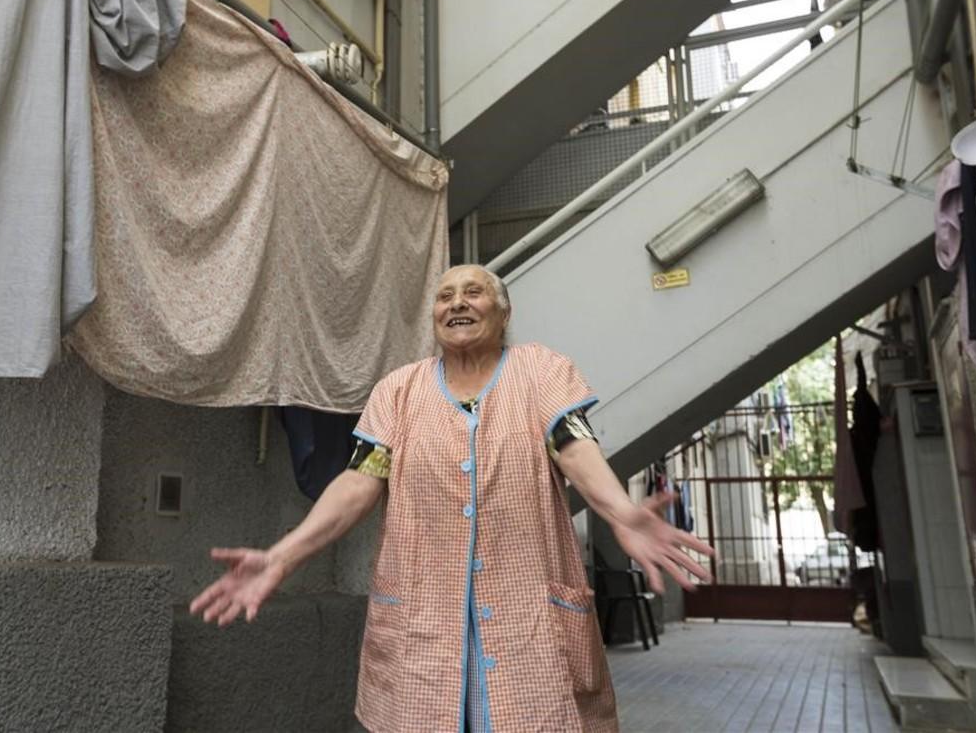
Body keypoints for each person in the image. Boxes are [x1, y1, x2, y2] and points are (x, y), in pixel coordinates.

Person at [191, 264, 715, 732]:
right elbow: (358, 482)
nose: (457, 303)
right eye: (444, 297)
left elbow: (573, 445)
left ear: (503, 312)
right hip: (420, 632)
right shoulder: (398, 390)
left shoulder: (541, 372)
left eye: (473, 292)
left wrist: (623, 512)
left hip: (527, 633)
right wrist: (285, 556)